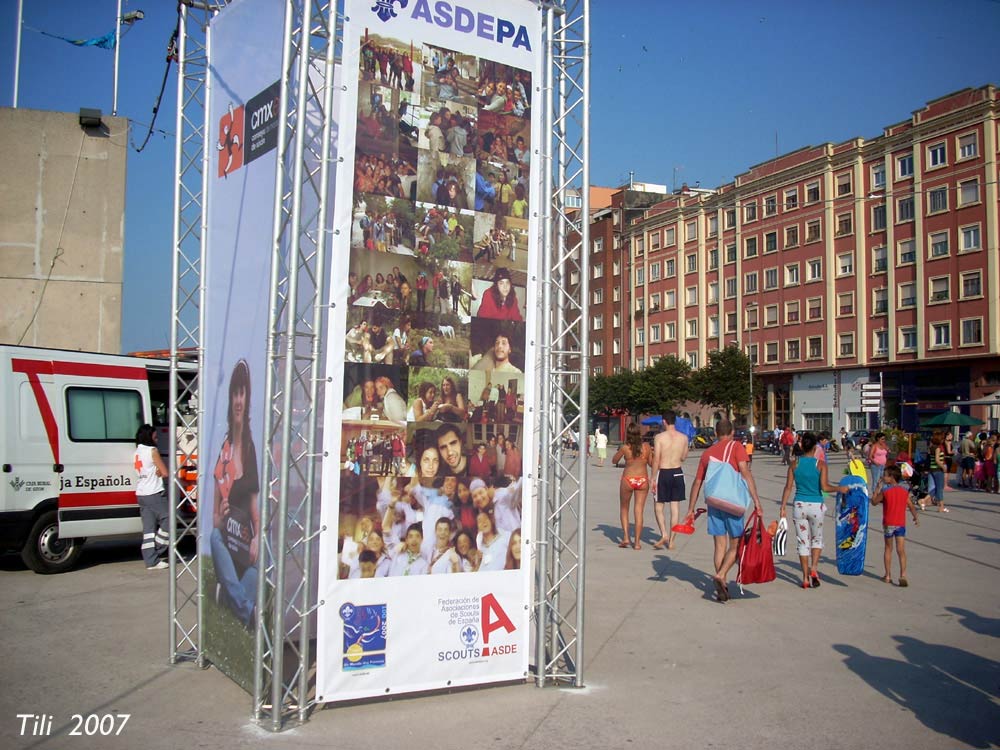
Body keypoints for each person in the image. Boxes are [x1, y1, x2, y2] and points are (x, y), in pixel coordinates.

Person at [685, 419, 764, 602]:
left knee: (719, 545)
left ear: (715, 433)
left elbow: (697, 482)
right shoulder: (737, 447)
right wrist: (757, 502)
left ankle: (723, 582)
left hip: (714, 503)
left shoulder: (707, 453)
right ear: (732, 432)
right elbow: (745, 473)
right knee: (735, 545)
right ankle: (721, 575)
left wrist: (690, 508)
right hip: (733, 503)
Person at [211, 360, 261, 627]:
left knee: (260, 558)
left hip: (244, 540)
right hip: (227, 537)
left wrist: (255, 539)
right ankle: (246, 610)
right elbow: (214, 516)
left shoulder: (252, 448)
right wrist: (220, 516)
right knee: (214, 536)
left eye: (243, 393)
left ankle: (229, 598)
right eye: (235, 393)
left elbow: (255, 506)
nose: (239, 400)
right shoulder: (225, 448)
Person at [778, 432, 848, 590]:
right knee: (817, 539)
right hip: (816, 505)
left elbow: (788, 487)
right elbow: (825, 487)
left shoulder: (794, 464)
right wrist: (839, 488)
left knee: (802, 542)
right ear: (815, 447)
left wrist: (783, 507)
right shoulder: (821, 464)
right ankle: (814, 568)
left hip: (800, 505)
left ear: (801, 446)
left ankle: (804, 578)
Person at [870, 464, 919, 586]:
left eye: (885, 476)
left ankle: (887, 576)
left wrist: (877, 488)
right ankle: (903, 574)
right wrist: (915, 517)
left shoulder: (885, 491)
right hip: (900, 524)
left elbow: (874, 502)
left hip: (888, 523)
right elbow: (911, 506)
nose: (883, 477)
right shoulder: (904, 491)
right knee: (901, 550)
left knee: (888, 548)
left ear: (891, 477)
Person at [651, 411, 689, 551]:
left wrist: (653, 477)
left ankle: (664, 534)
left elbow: (656, 459)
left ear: (664, 422)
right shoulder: (683, 437)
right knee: (675, 507)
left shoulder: (660, 437)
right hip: (678, 472)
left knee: (659, 506)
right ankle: (672, 540)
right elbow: (684, 457)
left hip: (664, 471)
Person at [133, 424, 170, 570]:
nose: (157, 439)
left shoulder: (137, 452)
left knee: (148, 529)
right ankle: (157, 550)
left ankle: (150, 560)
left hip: (141, 493)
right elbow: (165, 472)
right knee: (169, 521)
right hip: (154, 492)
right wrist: (160, 472)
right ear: (149, 437)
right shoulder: (152, 451)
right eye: (155, 436)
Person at [611, 423, 651, 550]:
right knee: (639, 510)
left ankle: (626, 537)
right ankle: (637, 543)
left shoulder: (625, 448)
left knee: (624, 508)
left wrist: (626, 459)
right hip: (642, 479)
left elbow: (614, 460)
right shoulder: (646, 447)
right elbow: (650, 463)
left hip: (628, 479)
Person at [929, 434, 949, 512]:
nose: (943, 440)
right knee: (939, 488)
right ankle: (941, 506)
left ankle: (923, 500)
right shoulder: (937, 448)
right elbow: (937, 460)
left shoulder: (931, 448)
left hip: (932, 469)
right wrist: (943, 467)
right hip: (938, 470)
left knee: (935, 488)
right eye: (942, 439)